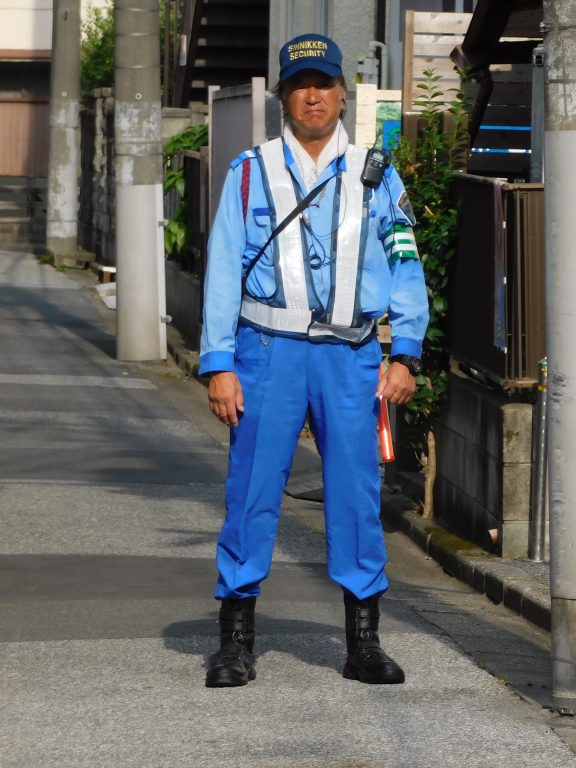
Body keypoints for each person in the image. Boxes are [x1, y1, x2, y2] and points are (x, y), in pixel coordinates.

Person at [198, 32, 428, 688]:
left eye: (323, 84)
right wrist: (218, 363)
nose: (313, 96)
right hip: (266, 351)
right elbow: (221, 271)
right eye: (300, 84)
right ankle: (236, 642)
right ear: (282, 97)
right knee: (251, 490)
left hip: (351, 357)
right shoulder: (251, 173)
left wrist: (406, 352)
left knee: (356, 492)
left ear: (341, 93)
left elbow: (406, 263)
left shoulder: (376, 173)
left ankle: (363, 642)